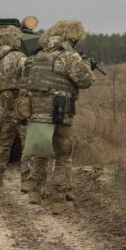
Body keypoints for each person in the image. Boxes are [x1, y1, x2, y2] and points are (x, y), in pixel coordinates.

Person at [23, 20, 93, 214]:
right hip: (61, 111)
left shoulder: (38, 55)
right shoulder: (69, 56)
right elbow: (85, 81)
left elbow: (26, 80)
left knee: (41, 150)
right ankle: (59, 200)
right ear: (72, 37)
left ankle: (34, 191)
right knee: (63, 155)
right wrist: (86, 65)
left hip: (37, 110)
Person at [0, 26, 28, 189]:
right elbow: (28, 75)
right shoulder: (18, 56)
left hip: (2, 102)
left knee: (4, 141)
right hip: (19, 101)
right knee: (26, 141)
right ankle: (27, 180)